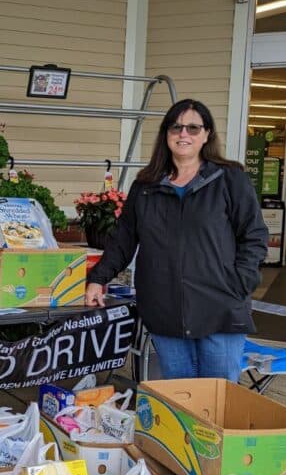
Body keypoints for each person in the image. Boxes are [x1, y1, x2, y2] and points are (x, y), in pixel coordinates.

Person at [85, 99, 268, 382]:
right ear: (166, 134)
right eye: (176, 127)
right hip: (163, 307)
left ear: (207, 134)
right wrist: (99, 278)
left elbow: (254, 236)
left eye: (193, 128)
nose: (184, 134)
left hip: (219, 308)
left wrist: (239, 284)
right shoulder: (146, 186)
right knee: (178, 398)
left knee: (218, 400)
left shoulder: (230, 178)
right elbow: (124, 239)